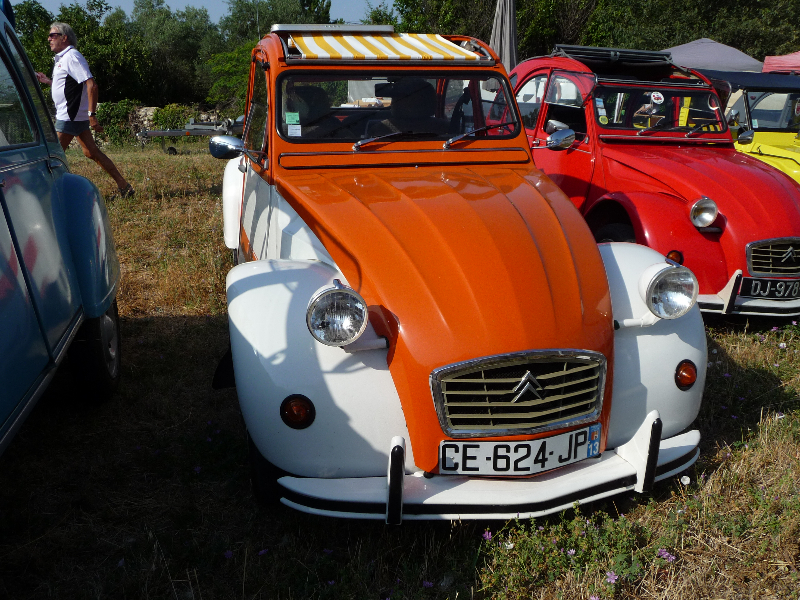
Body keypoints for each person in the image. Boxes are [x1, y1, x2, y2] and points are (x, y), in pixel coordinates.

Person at [35, 22, 133, 197]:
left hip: (69, 116)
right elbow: (69, 86)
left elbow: (91, 85)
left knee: (52, 157)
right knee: (91, 152)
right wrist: (48, 82)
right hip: (73, 116)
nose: (49, 39)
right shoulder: (63, 59)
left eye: (53, 35)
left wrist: (92, 115)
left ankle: (45, 195)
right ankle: (124, 186)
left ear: (64, 37)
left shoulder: (72, 56)